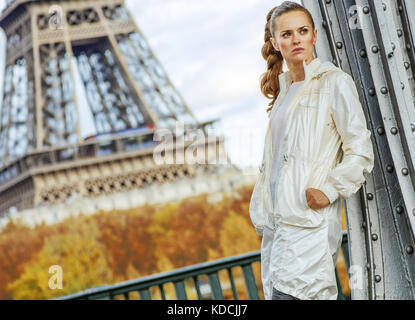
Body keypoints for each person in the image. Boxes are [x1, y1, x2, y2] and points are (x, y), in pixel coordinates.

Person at [249, 1, 375, 300]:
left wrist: (329, 189)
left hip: (309, 227)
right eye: (287, 33)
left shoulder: (334, 83)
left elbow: (360, 149)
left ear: (314, 36)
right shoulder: (283, 94)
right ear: (275, 43)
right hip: (277, 232)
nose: (296, 39)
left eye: (303, 31)